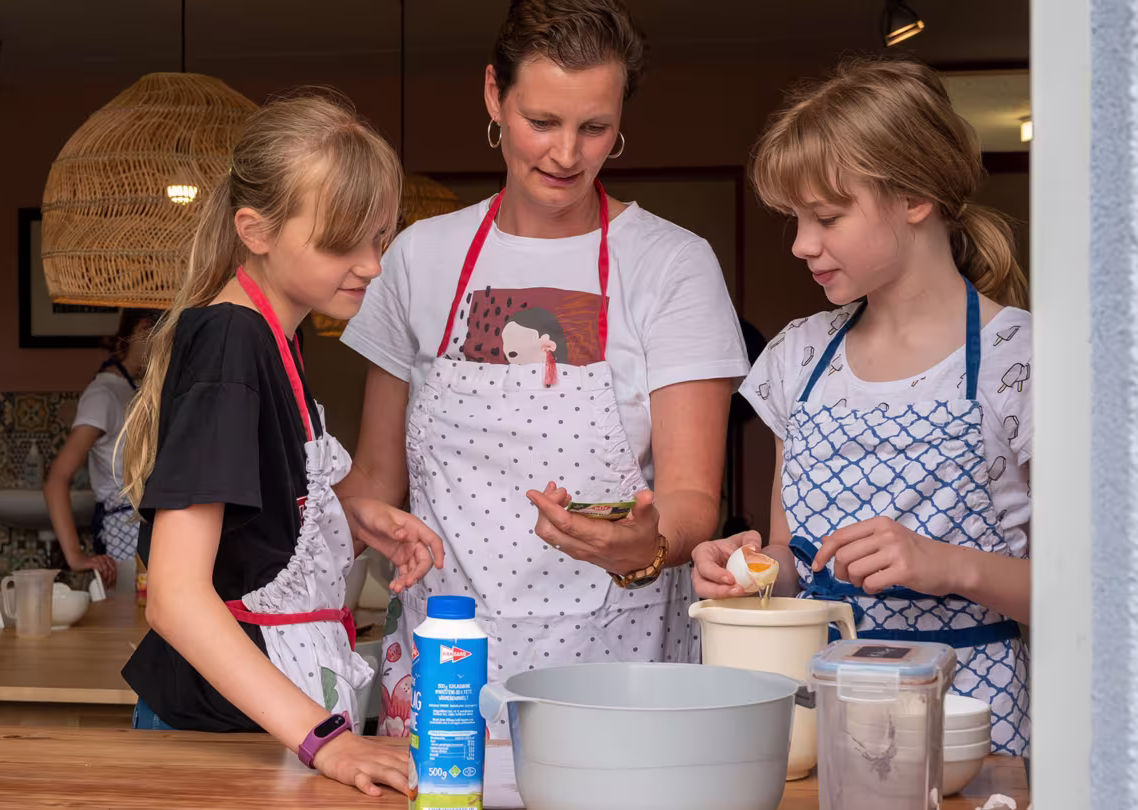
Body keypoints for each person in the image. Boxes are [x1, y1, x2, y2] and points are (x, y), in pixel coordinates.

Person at [338, 0, 749, 738]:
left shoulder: (671, 265)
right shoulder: (417, 259)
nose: (567, 154)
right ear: (495, 94)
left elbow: (693, 498)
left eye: (595, 128)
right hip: (445, 658)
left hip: (615, 660)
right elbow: (374, 483)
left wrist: (646, 547)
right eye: (543, 122)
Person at [690, 58, 1032, 757]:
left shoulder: (1023, 362)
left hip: (974, 733)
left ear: (914, 197)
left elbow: (1098, 595)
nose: (800, 245)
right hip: (823, 725)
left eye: (827, 217)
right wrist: (749, 569)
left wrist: (948, 564)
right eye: (795, 219)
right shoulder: (798, 358)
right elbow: (795, 562)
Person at [117, 90, 445, 798]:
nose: (372, 266)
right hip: (217, 734)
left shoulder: (271, 336)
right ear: (256, 231)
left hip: (254, 726)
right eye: (341, 242)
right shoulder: (234, 341)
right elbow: (173, 597)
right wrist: (325, 741)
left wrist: (351, 518)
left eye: (380, 239)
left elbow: (249, 537)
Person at [43, 308, 160, 589]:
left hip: (143, 530)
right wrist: (75, 556)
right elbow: (57, 479)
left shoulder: (131, 389)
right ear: (145, 329)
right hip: (123, 537)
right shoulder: (103, 395)